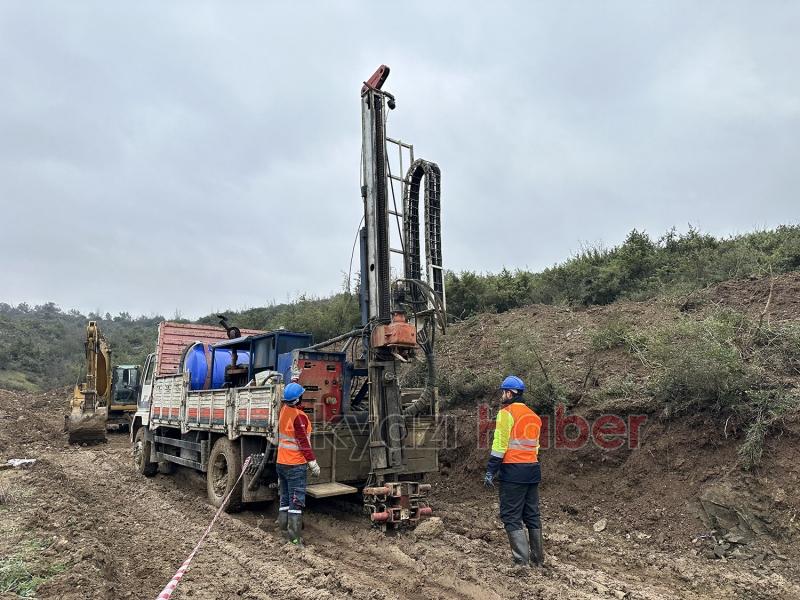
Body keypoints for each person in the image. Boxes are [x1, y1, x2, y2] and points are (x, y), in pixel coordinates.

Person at [484, 375, 544, 566]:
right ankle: (538, 560)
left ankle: (521, 562)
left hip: (513, 472)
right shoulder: (533, 416)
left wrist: (490, 470)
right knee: (532, 515)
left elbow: (500, 444)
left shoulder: (506, 413)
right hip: (532, 470)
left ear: (510, 393)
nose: (502, 395)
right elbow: (535, 448)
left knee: (511, 515)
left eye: (503, 391)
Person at [276, 382, 320, 546]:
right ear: (298, 399)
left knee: (285, 498)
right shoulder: (299, 417)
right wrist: (313, 462)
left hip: (281, 463)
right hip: (295, 465)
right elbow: (303, 442)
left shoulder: (283, 411)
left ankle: (282, 530)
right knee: (296, 501)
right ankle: (294, 539)